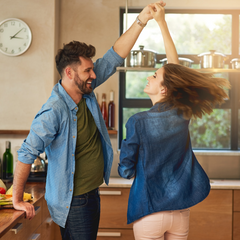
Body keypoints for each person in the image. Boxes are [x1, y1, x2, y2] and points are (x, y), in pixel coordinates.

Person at [12, 2, 162, 240]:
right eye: (88, 70)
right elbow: (26, 153)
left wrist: (142, 19)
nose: (94, 75)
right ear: (69, 73)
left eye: (93, 69)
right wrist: (17, 199)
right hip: (75, 200)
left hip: (90, 193)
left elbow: (114, 57)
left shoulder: (85, 91)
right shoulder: (55, 110)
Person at [118, 3, 230, 240]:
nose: (149, 76)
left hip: (149, 211)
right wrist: (161, 22)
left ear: (165, 90)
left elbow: (126, 170)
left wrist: (131, 165)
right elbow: (175, 68)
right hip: (180, 212)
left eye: (155, 76)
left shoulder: (137, 122)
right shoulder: (182, 114)